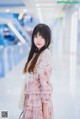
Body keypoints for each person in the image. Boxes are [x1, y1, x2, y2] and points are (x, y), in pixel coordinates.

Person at [18, 23, 53, 119]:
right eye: (36, 36)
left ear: (47, 39)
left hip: (38, 103)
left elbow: (46, 85)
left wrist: (45, 110)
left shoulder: (45, 55)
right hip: (32, 100)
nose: (38, 40)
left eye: (42, 37)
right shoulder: (37, 52)